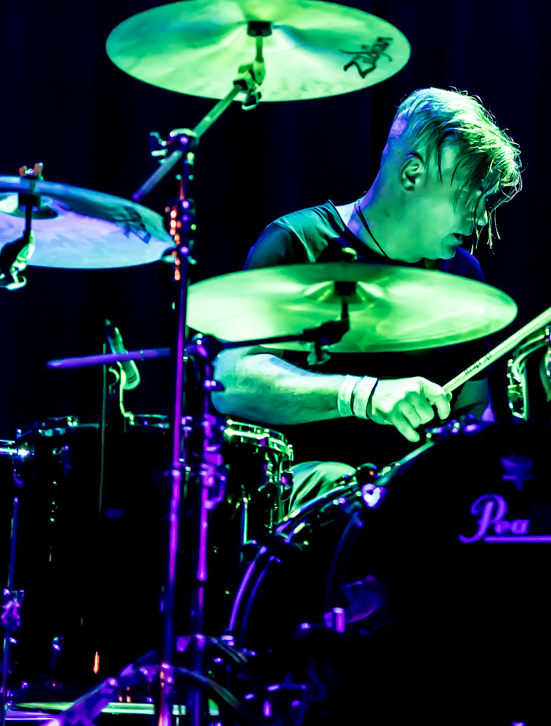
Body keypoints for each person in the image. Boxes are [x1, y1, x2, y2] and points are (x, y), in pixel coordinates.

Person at [210, 87, 522, 508]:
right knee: (340, 484)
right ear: (412, 175)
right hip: (301, 501)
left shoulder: (463, 275)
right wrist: (363, 395)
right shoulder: (296, 244)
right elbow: (230, 381)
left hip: (414, 501)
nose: (481, 217)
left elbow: (473, 407)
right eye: (468, 194)